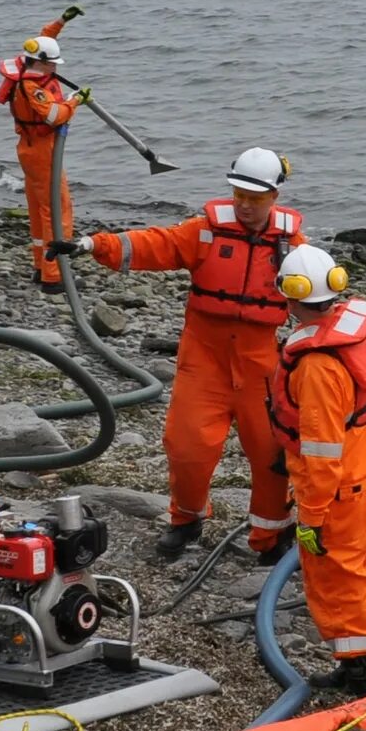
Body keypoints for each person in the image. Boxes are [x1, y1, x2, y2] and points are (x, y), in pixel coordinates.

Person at [57, 148, 300, 558]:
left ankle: (272, 537)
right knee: (187, 447)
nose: (244, 203)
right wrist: (92, 245)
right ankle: (186, 520)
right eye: (239, 193)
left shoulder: (295, 248)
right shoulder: (205, 232)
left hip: (263, 366)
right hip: (204, 359)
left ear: (274, 197)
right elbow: (154, 245)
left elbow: (319, 300)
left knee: (273, 455)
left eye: (255, 197)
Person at [268, 244, 366, 700]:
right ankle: (354, 664)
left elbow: (322, 454)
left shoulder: (319, 365)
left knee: (339, 583)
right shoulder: (353, 340)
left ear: (290, 296)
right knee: (355, 576)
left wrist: (312, 517)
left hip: (339, 496)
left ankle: (362, 675)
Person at [0, 12, 82, 291]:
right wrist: (76, 101)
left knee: (39, 208)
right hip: (42, 150)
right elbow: (55, 115)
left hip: (29, 148)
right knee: (57, 210)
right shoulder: (33, 88)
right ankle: (54, 275)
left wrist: (60, 22)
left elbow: (41, 40)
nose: (54, 69)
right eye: (52, 65)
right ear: (42, 63)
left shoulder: (25, 65)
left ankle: (39, 266)